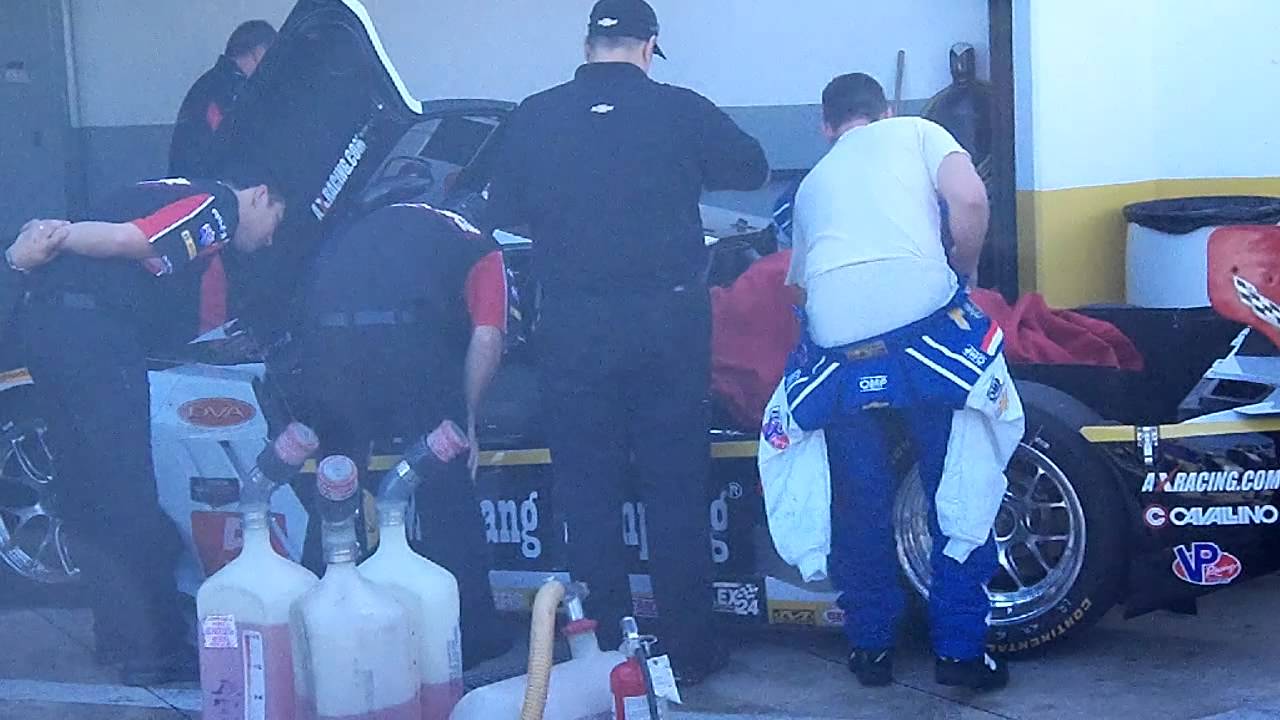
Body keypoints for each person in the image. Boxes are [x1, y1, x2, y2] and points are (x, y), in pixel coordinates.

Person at [486, 0, 769, 684]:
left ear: (588, 46)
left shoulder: (535, 114)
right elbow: (754, 168)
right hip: (667, 323)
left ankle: (603, 654)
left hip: (573, 325)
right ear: (649, 47)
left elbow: (500, 209)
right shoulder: (680, 108)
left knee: (587, 491)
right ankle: (690, 652)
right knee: (676, 485)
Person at [784, 72, 1010, 691]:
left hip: (838, 350)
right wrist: (963, 271)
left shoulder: (812, 181)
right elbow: (970, 201)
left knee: (859, 498)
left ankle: (871, 648)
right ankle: (961, 653)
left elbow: (797, 289)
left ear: (826, 127)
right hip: (924, 333)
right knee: (958, 481)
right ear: (887, 110)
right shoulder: (918, 131)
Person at [18, 171, 286, 686]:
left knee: (84, 487)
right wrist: (55, 234)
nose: (271, 239)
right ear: (259, 196)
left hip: (49, 327)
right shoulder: (218, 204)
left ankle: (116, 635)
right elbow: (133, 239)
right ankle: (154, 651)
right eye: (277, 220)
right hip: (93, 333)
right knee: (128, 489)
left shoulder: (161, 188)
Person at [290, 201, 513, 666]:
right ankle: (471, 633)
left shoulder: (367, 221)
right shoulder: (480, 246)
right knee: (444, 482)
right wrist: (469, 420)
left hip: (330, 348)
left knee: (338, 482)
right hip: (411, 346)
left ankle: (317, 629)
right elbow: (487, 336)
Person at [170, 20, 277, 178]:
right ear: (257, 52)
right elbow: (227, 145)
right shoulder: (228, 91)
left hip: (194, 182)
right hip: (206, 183)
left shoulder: (212, 83)